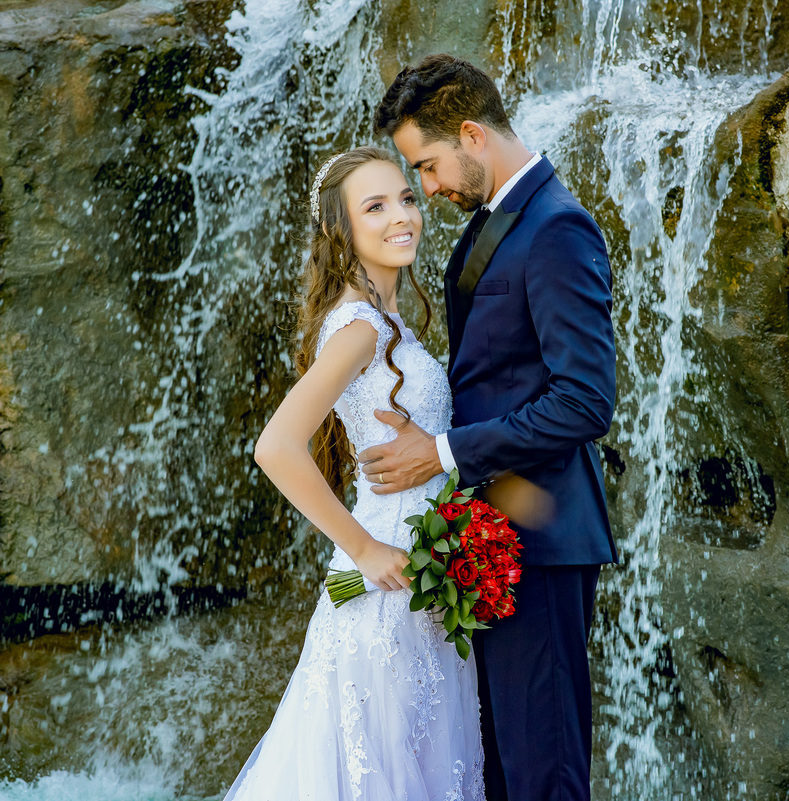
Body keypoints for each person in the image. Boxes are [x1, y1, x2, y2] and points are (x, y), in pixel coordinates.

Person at [363, 55, 619, 801]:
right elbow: (496, 372)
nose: (428, 189)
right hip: (492, 541)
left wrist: (441, 451)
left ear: (472, 134)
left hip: (539, 541)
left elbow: (583, 400)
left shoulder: (558, 227)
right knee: (501, 773)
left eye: (429, 165)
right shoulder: (498, 221)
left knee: (544, 773)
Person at [224, 146, 484, 801]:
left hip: (419, 585)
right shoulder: (361, 327)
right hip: (384, 590)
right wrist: (364, 549)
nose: (402, 215)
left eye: (405, 197)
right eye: (375, 206)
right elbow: (277, 445)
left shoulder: (388, 319)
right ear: (343, 231)